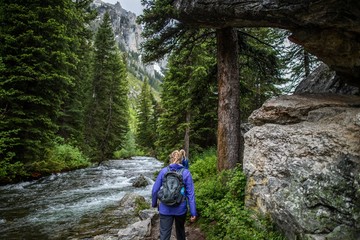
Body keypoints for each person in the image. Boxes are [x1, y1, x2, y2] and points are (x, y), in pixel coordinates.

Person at [152, 150, 197, 240]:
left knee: (164, 235)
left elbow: (155, 190)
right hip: (180, 209)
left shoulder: (164, 171)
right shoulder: (186, 173)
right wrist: (193, 212)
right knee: (180, 232)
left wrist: (154, 204)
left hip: (165, 208)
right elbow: (190, 194)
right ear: (181, 159)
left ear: (171, 158)